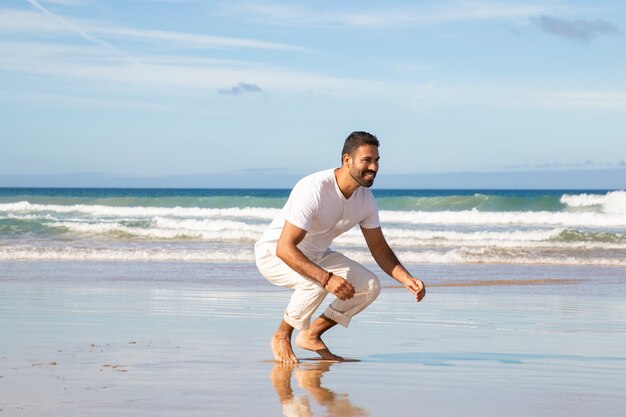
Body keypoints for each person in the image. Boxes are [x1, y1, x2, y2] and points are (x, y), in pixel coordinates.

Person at [255, 131, 426, 364]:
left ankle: (311, 334)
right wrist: (327, 279)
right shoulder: (314, 188)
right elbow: (285, 248)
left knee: (369, 286)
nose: (374, 167)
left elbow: (378, 248)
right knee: (316, 282)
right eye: (367, 160)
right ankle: (281, 335)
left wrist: (406, 278)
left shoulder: (365, 199)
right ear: (347, 160)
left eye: (376, 161)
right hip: (274, 254)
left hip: (317, 255)